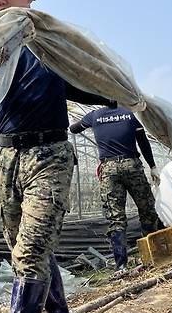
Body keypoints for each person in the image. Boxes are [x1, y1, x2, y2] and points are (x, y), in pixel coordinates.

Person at [0, 0, 116, 313]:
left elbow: (88, 84)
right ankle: (57, 310)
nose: (0, 1)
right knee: (22, 244)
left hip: (49, 155)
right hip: (6, 159)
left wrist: (114, 91)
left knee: (33, 246)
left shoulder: (51, 47)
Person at [70, 106, 163, 271]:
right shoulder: (131, 114)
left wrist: (96, 125)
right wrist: (152, 166)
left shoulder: (94, 116)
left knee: (116, 218)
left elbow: (74, 129)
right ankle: (152, 257)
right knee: (147, 210)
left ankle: (121, 265)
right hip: (132, 165)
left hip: (109, 168)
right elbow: (143, 141)